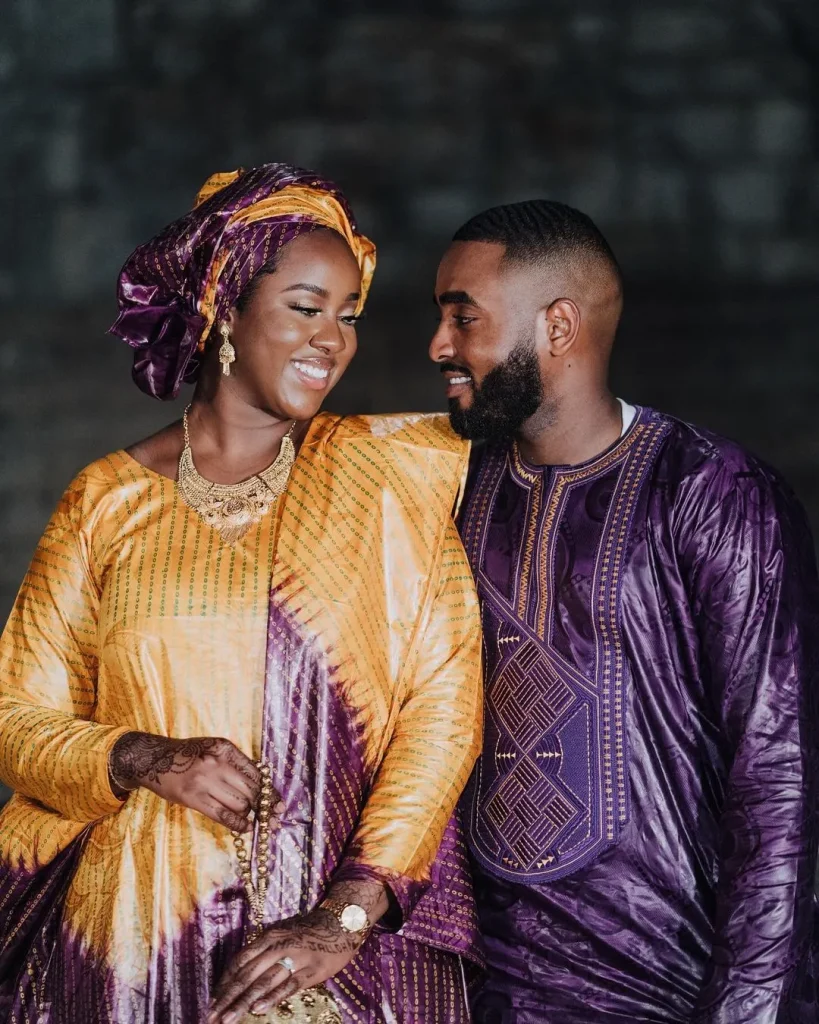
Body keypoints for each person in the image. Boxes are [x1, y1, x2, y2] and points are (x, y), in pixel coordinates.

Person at [0, 163, 484, 1024]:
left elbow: (441, 713)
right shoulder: (106, 500)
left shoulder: (384, 476)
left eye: (348, 316)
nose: (332, 338)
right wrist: (141, 758)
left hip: (330, 965)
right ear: (225, 303)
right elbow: (15, 718)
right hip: (131, 946)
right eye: (306, 307)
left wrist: (345, 915)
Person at [429, 199, 819, 1023]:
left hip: (671, 993)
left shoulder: (714, 494)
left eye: (463, 318)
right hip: (481, 992)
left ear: (558, 326)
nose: (439, 347)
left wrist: (744, 1012)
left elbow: (777, 778)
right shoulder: (445, 491)